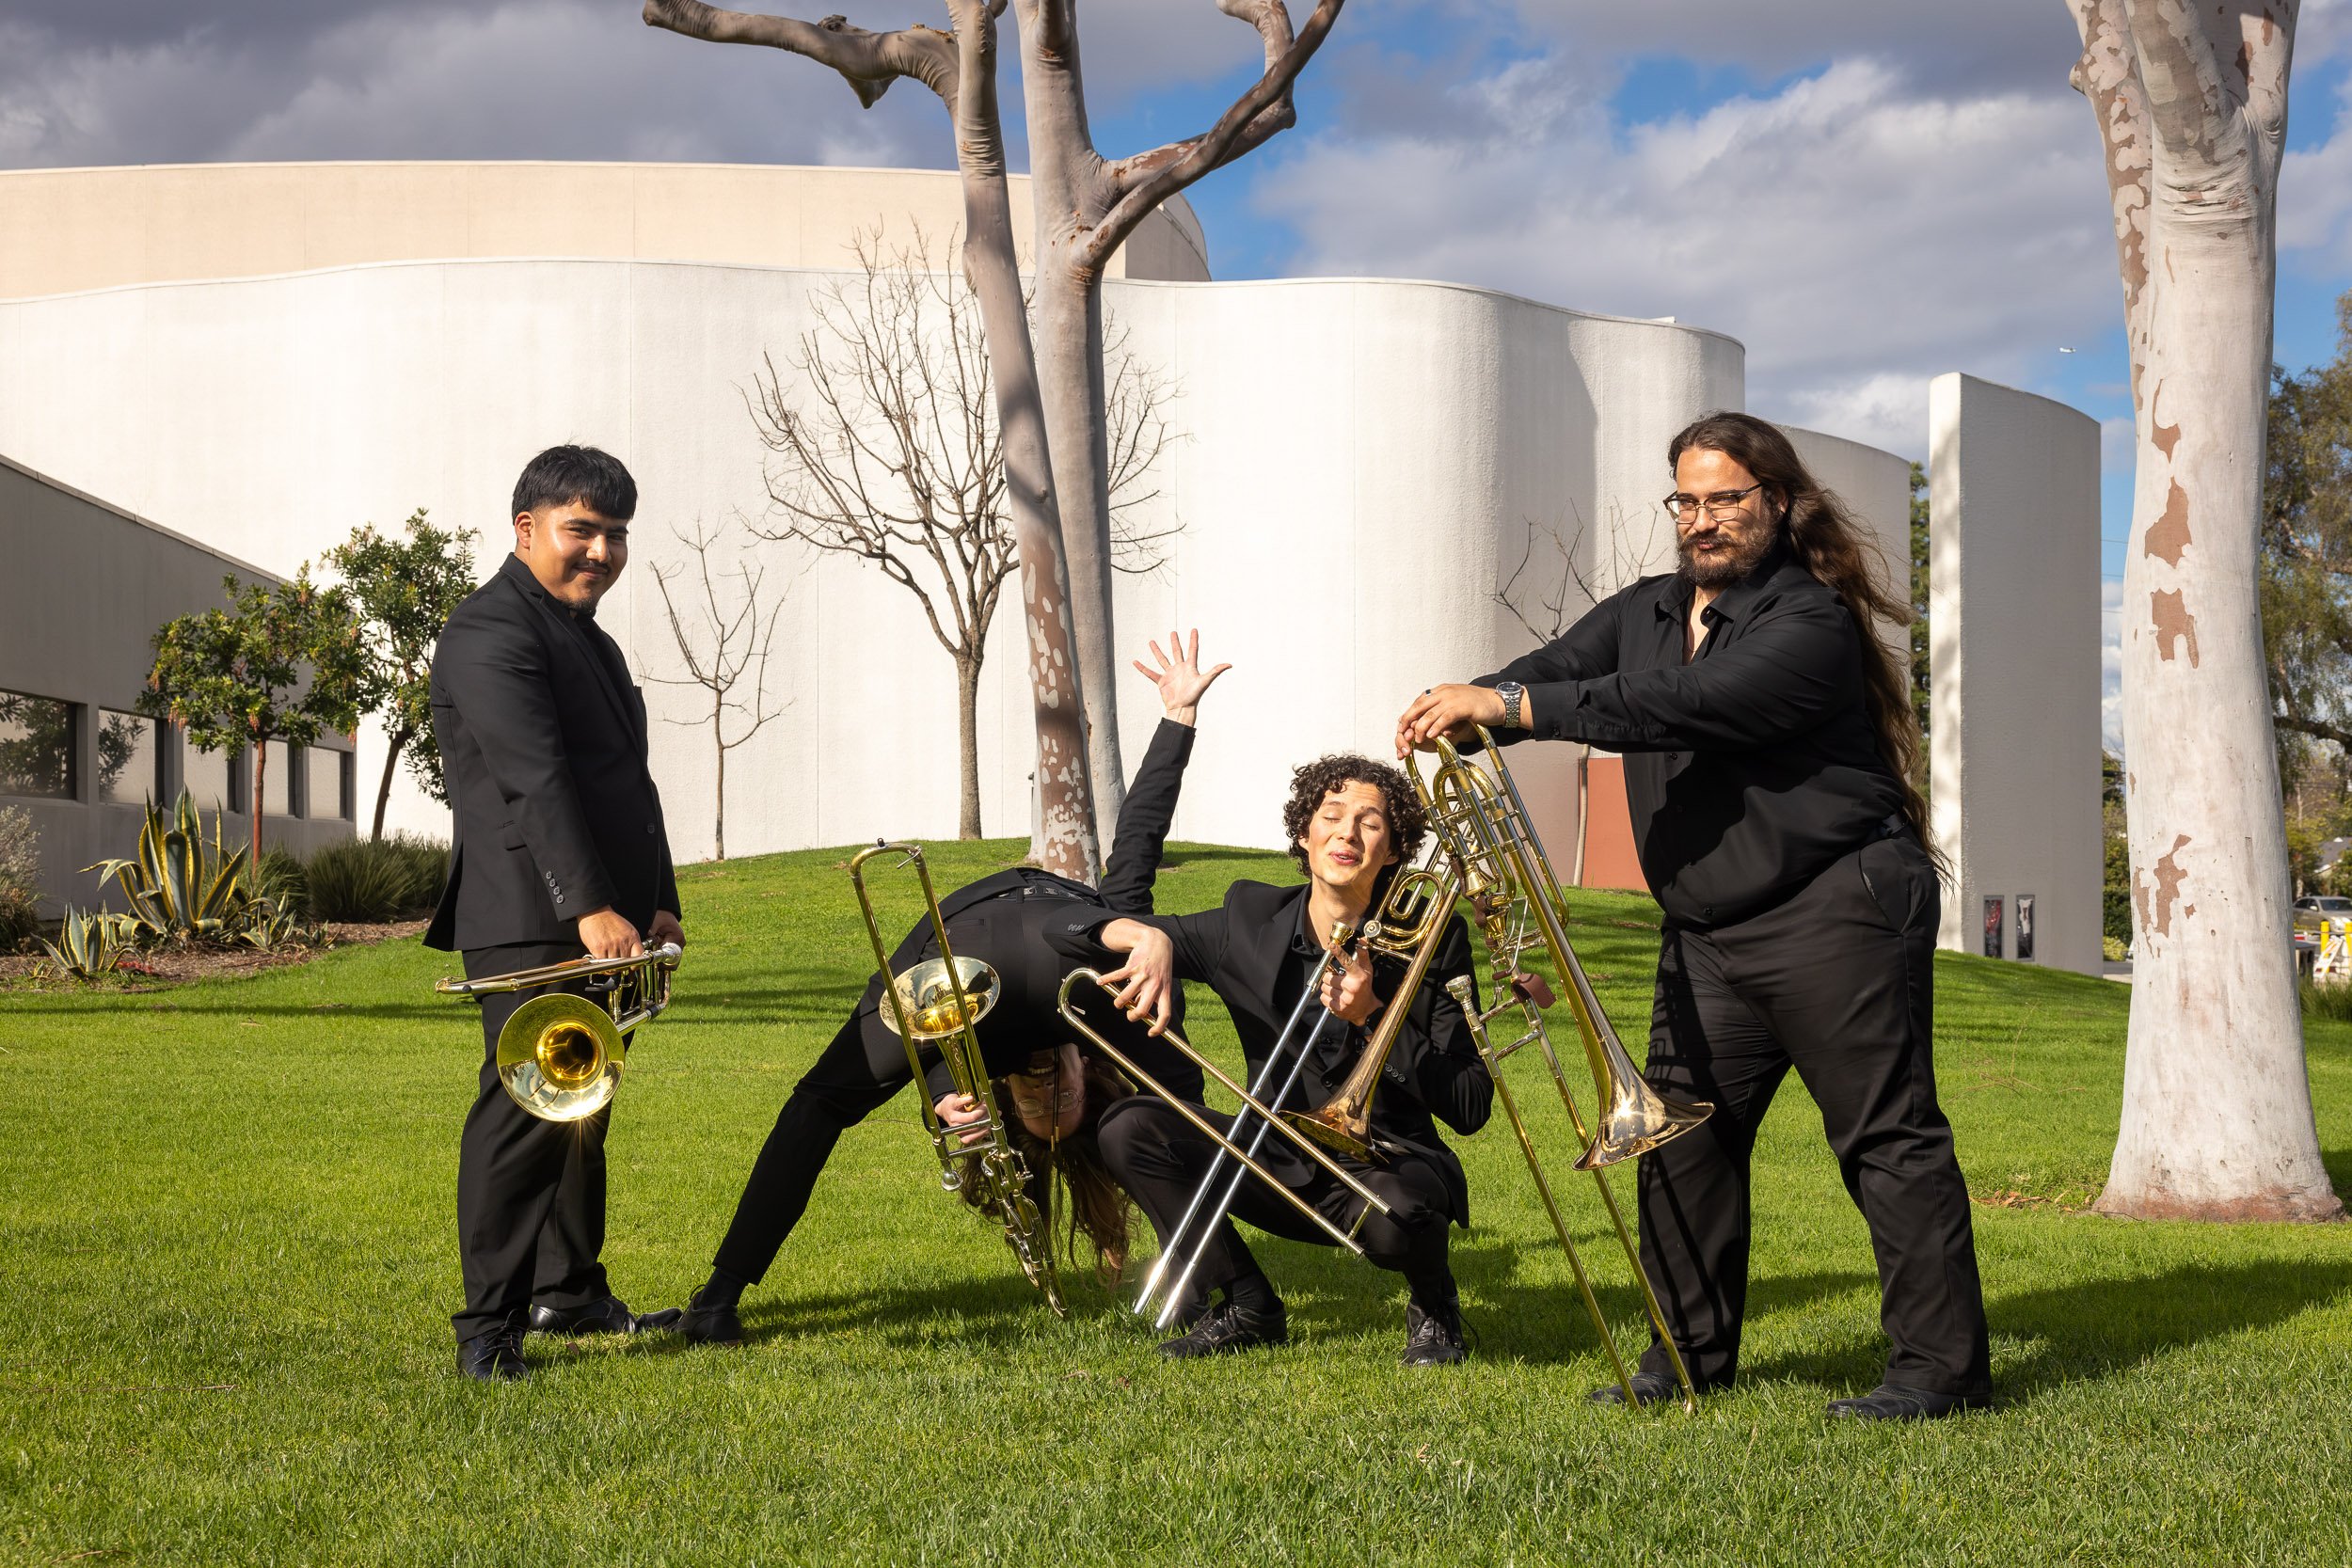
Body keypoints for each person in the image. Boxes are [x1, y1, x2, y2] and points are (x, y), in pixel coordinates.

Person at [1395, 410, 1991, 1421]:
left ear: (1779, 503)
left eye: (1727, 498)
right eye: (1689, 499)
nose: (1704, 518)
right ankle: (1684, 1359)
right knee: (1675, 1138)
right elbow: (1555, 667)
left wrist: (1511, 710)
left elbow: (1680, 703)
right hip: (1708, 931)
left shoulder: (1807, 622)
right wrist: (1475, 695)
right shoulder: (1648, 608)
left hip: (1835, 903)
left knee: (1884, 1138)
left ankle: (1940, 1374)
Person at [676, 632, 1230, 1345]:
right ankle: (1211, 1275)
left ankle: (715, 1296)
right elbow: (1134, 862)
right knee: (1180, 1090)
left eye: (1036, 1103)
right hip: (1042, 934)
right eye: (1062, 1096)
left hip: (940, 962)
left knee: (818, 1100)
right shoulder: (1112, 1013)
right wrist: (1178, 721)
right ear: (1088, 1080)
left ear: (1007, 1098)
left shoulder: (999, 1054)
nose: (1044, 1086)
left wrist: (942, 1096)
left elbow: (936, 1025)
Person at [1089, 755, 1494, 1366]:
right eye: (1330, 816)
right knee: (1131, 1127)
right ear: (1304, 836)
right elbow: (1096, 925)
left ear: (1395, 849)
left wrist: (1376, 1015)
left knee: (1404, 1215)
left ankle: (1434, 1306)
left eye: (1370, 822)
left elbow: (1470, 1102)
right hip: (1272, 1160)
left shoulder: (1433, 936)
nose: (1347, 833)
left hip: (1382, 1167)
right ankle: (1247, 1304)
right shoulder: (1248, 921)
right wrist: (1152, 937)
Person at [426, 445, 687, 1383]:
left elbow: (629, 787)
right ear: (526, 527)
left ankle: (568, 1292)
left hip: (606, 916)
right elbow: (533, 781)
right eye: (582, 530)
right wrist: (587, 907)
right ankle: (486, 1331)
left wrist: (657, 901)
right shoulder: (488, 631)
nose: (602, 550)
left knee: (585, 1106)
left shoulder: (590, 638)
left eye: (615, 534)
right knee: (525, 1115)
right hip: (537, 916)